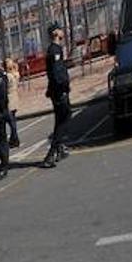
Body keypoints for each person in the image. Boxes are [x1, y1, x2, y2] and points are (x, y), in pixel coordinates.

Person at [42, 25, 72, 168]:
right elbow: (56, 73)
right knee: (62, 119)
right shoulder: (54, 50)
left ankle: (59, 148)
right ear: (55, 33)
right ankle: (52, 153)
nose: (63, 32)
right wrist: (63, 86)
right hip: (59, 91)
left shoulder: (55, 50)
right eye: (60, 30)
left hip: (57, 90)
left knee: (63, 117)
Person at [4, 57, 22, 148]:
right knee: (13, 120)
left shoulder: (8, 76)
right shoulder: (16, 74)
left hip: (9, 98)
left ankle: (15, 139)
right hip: (15, 97)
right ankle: (13, 138)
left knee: (11, 121)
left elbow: (5, 88)